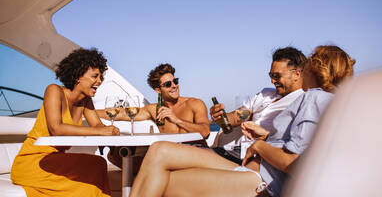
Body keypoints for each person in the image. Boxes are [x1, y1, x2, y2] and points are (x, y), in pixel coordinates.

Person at [129, 45, 355, 197]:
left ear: (307, 72)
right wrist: (264, 136)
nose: (273, 80)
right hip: (253, 165)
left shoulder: (313, 98)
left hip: (261, 178)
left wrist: (259, 145)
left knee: (164, 180)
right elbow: (302, 144)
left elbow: (294, 162)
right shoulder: (328, 101)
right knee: (158, 151)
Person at [11, 48, 120, 197]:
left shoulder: (86, 100)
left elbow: (98, 125)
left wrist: (109, 130)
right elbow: (56, 128)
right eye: (95, 76)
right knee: (86, 189)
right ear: (78, 76)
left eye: (101, 77)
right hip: (33, 161)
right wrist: (100, 131)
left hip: (56, 159)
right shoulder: (54, 91)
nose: (99, 81)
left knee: (98, 164)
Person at [211, 47, 306, 163]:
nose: (272, 81)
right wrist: (221, 117)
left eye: (277, 76)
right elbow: (239, 116)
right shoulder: (265, 94)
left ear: (296, 74)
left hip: (255, 160)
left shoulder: (303, 102)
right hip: (228, 152)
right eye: (271, 75)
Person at [100, 63, 210, 138]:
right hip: (170, 155)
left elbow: (205, 132)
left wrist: (177, 120)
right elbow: (122, 114)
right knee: (114, 156)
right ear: (158, 90)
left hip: (196, 151)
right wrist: (88, 112)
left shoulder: (195, 104)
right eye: (168, 84)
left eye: (175, 81)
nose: (174, 86)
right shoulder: (155, 110)